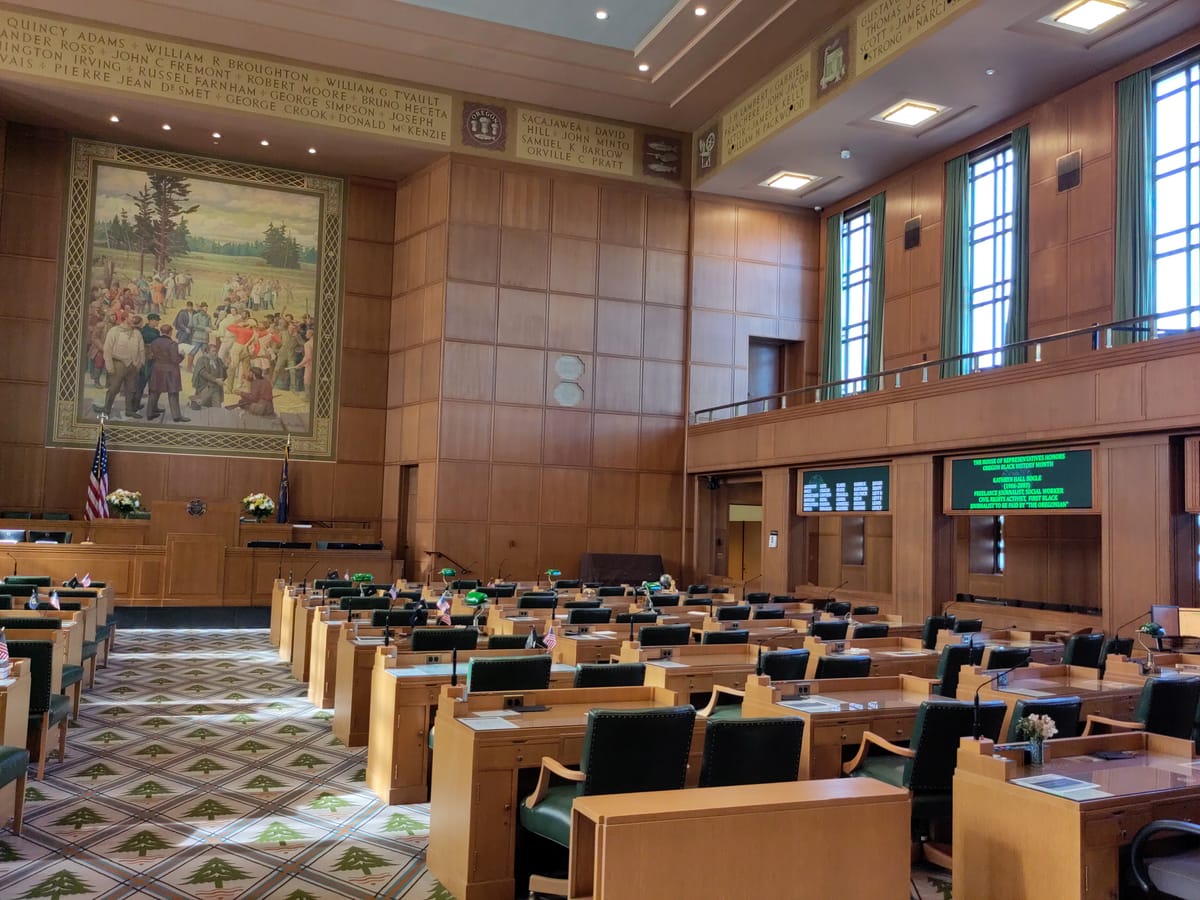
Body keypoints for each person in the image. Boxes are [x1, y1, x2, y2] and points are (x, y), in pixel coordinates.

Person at [99, 315, 146, 419]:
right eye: (132, 318)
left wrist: (140, 363)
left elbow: (141, 349)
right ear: (125, 319)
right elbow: (107, 349)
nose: (135, 320)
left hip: (133, 366)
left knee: (131, 389)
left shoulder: (137, 333)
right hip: (118, 364)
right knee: (113, 388)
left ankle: (129, 410)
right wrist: (109, 366)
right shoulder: (114, 331)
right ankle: (107, 409)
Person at [145, 324, 190, 423]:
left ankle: (149, 414)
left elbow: (151, 355)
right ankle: (176, 416)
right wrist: (182, 355)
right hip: (170, 371)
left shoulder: (154, 342)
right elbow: (175, 360)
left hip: (157, 369)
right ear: (170, 332)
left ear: (161, 331)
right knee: (173, 393)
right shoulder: (172, 344)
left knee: (154, 392)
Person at [189, 340, 227, 410]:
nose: (215, 353)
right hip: (206, 387)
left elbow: (223, 374)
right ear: (207, 351)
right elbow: (203, 373)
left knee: (217, 409)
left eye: (216, 351)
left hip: (216, 389)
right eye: (213, 351)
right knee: (198, 407)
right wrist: (215, 380)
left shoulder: (219, 360)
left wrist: (226, 366)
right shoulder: (201, 360)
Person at [186, 303, 212, 369]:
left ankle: (206, 368)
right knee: (193, 352)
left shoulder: (208, 316)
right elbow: (195, 325)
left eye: (207, 308)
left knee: (206, 353)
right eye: (205, 308)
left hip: (205, 338)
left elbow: (210, 325)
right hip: (196, 337)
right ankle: (189, 367)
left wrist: (211, 328)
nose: (206, 309)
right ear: (201, 308)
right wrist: (205, 328)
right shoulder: (196, 316)